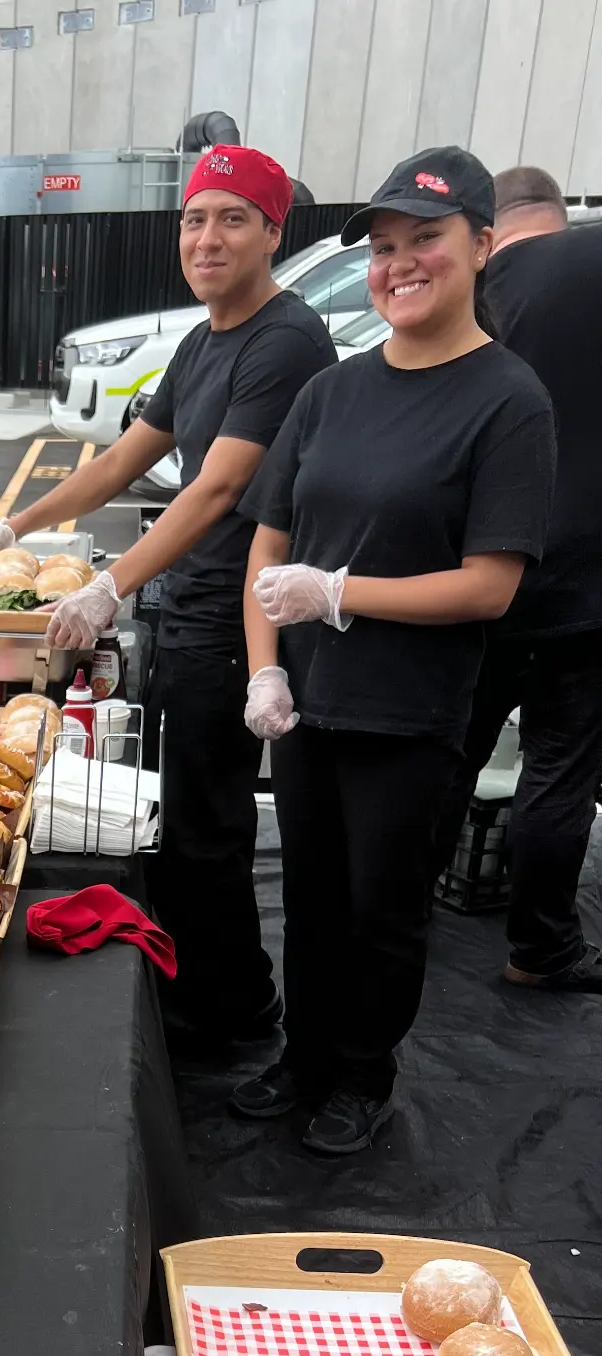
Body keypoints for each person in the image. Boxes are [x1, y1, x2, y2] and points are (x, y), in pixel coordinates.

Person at [0, 146, 336, 1049]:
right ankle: (194, 990)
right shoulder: (205, 340)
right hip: (185, 609)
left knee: (209, 829)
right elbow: (127, 458)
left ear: (272, 233)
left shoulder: (284, 340)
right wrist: (11, 530)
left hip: (234, 622)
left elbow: (214, 491)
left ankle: (237, 1015)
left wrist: (107, 586)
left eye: (232, 218)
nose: (207, 238)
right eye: (194, 219)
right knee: (182, 823)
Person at [235, 147, 556, 1155]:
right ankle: (303, 1056)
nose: (399, 263)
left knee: (382, 909)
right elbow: (268, 542)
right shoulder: (332, 391)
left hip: (407, 714)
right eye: (382, 247)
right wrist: (266, 668)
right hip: (307, 707)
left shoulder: (507, 400)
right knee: (314, 899)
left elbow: (488, 584)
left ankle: (360, 1075)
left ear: (481, 246)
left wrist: (337, 595)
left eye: (425, 240)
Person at [432, 166, 602, 991]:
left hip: (482, 562)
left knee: (451, 750)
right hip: (588, 582)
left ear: (495, 225)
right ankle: (541, 947)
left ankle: (400, 908)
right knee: (559, 766)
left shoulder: (475, 280)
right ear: (558, 217)